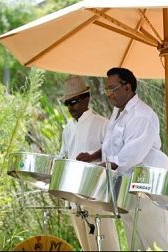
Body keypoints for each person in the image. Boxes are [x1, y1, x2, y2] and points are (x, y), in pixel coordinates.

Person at [76, 67, 168, 251]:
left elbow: (129, 157)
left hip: (147, 189)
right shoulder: (118, 112)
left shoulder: (142, 116)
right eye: (107, 90)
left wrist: (100, 168)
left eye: (112, 89)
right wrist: (93, 156)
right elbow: (110, 144)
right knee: (135, 243)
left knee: (156, 242)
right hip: (128, 188)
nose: (108, 94)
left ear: (127, 87)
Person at [58, 75, 120, 251]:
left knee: (105, 245)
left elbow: (114, 152)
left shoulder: (103, 123)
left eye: (74, 101)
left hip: (96, 195)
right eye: (67, 103)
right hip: (73, 196)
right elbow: (63, 155)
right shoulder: (68, 128)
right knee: (86, 247)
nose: (71, 107)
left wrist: (92, 156)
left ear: (87, 98)